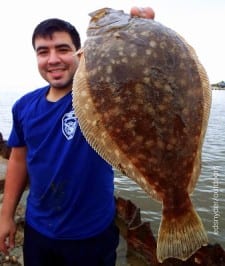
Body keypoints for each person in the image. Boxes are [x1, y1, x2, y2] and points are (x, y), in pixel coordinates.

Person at [0, 7, 155, 266]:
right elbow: (18, 161)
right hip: (39, 230)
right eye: (43, 52)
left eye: (62, 49)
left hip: (93, 234)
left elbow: (136, 82)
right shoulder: (23, 106)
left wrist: (140, 37)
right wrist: (6, 216)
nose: (53, 59)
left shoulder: (103, 99)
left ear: (80, 53)